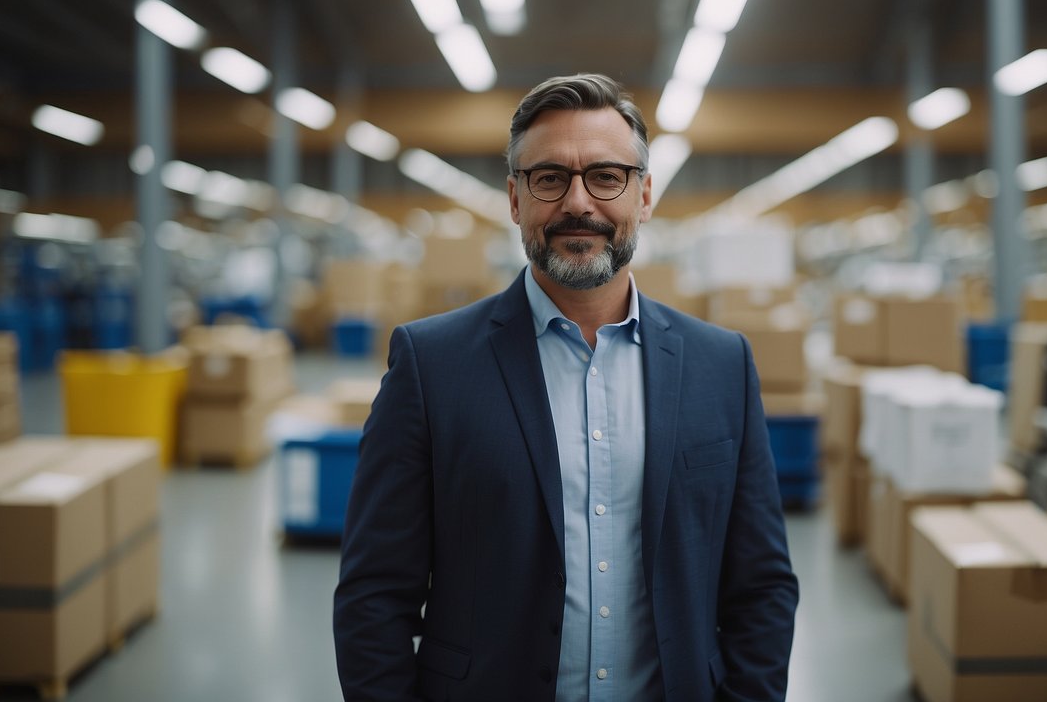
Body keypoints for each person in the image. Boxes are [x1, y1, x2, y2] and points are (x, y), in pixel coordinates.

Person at [333, 73, 799, 702]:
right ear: (515, 200)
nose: (579, 203)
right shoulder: (431, 364)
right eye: (549, 178)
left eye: (606, 176)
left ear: (645, 195)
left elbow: (762, 585)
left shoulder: (721, 366)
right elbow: (374, 594)